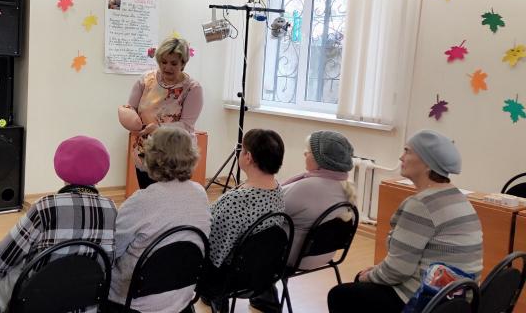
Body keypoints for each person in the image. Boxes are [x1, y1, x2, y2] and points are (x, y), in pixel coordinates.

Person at [327, 130, 483, 313]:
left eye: (407, 151)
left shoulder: (421, 205)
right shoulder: (457, 196)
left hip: (429, 299)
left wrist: (368, 276)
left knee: (341, 294)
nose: (401, 157)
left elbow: (398, 271)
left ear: (427, 163)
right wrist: (378, 270)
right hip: (459, 297)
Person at [0, 135, 118, 313]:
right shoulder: (112, 209)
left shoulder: (45, 207)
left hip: (31, 305)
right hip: (84, 305)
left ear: (60, 165)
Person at [108, 127, 211, 312]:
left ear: (152, 157)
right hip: (181, 297)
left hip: (135, 301)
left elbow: (113, 250)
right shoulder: (199, 193)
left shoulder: (141, 201)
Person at [198, 129, 286, 311]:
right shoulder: (278, 190)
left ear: (248, 157)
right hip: (263, 270)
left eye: (242, 149)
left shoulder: (236, 201)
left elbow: (214, 252)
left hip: (231, 276)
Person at [125, 37, 203, 189]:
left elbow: (186, 126)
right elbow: (131, 108)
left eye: (174, 63)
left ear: (183, 64)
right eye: (163, 62)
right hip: (145, 152)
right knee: (148, 194)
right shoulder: (145, 80)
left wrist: (158, 129)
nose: (167, 67)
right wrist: (129, 120)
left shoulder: (192, 88)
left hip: (176, 157)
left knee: (172, 198)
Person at [282, 130, 356, 269]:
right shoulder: (346, 186)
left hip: (294, 256)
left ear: (321, 160)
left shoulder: (307, 187)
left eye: (308, 152)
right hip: (325, 254)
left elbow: (268, 210)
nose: (304, 154)